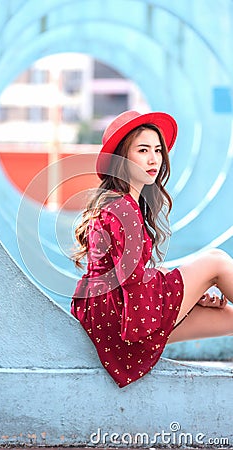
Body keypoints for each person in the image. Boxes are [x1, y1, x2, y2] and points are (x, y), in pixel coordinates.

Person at [71, 110, 233, 388]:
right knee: (216, 261)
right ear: (121, 158)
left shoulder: (122, 205)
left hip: (111, 319)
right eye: (143, 150)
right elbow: (132, 282)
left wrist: (190, 293)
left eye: (157, 150)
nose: (153, 159)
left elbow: (129, 274)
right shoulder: (121, 207)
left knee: (227, 318)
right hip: (121, 316)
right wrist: (184, 288)